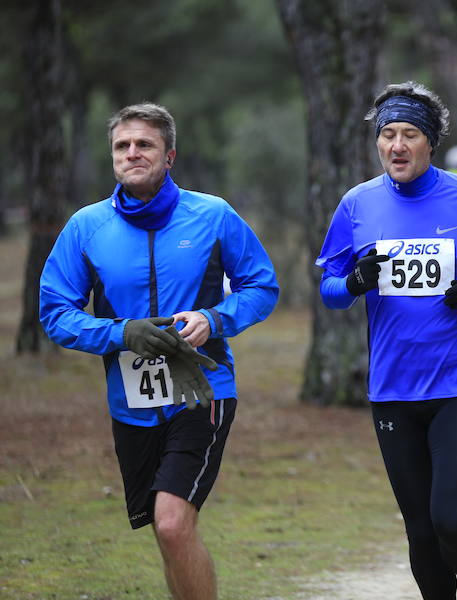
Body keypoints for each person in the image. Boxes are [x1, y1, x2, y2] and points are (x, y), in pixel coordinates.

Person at [39, 103, 279, 600]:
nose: (132, 154)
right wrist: (120, 334)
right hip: (130, 401)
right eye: (122, 146)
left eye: (144, 144)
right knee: (167, 530)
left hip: (203, 389)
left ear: (169, 155)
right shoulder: (86, 227)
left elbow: (261, 286)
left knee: (171, 523)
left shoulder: (212, 215)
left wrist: (213, 319)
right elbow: (55, 311)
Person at [315, 81, 457, 600]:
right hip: (392, 388)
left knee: (451, 519)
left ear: (430, 142)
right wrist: (354, 283)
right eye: (387, 134)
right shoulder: (357, 204)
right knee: (420, 531)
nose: (397, 145)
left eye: (409, 134)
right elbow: (330, 290)